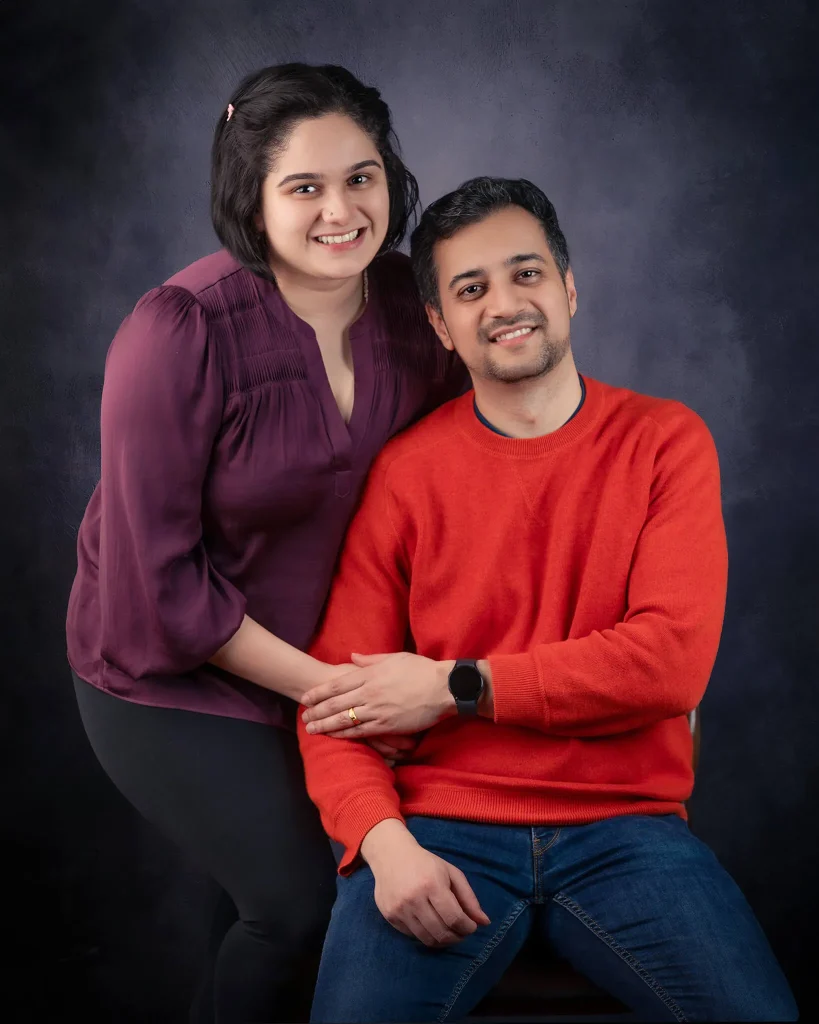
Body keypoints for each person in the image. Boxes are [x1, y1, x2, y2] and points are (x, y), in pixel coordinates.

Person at [296, 177, 799, 1022]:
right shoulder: (406, 473)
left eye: (525, 274)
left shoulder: (664, 442)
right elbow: (335, 707)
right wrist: (383, 849)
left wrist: (453, 684)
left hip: (627, 831)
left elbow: (668, 664)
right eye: (470, 289)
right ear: (439, 326)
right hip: (438, 831)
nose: (504, 303)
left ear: (567, 288)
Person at [66, 63, 466, 1024]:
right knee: (295, 909)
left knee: (255, 906)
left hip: (335, 665)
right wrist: (340, 691)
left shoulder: (420, 308)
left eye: (361, 177)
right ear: (253, 196)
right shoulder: (177, 331)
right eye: (305, 187)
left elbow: (476, 484)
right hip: (173, 672)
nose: (341, 210)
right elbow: (158, 584)